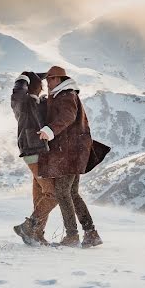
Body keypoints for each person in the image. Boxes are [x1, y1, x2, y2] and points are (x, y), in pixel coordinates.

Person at [37, 65, 103, 248]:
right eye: (47, 80)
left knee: (62, 192)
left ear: (59, 79)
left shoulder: (66, 95)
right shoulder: (63, 95)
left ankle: (72, 236)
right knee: (72, 193)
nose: (48, 83)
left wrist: (49, 130)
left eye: (50, 79)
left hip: (70, 153)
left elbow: (68, 116)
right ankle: (91, 233)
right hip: (74, 151)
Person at [10, 70, 58, 246]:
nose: (43, 87)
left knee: (41, 195)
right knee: (54, 195)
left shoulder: (37, 102)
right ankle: (28, 227)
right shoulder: (22, 100)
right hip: (33, 152)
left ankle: (36, 234)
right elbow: (18, 89)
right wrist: (24, 75)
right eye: (40, 85)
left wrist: (44, 76)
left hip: (39, 152)